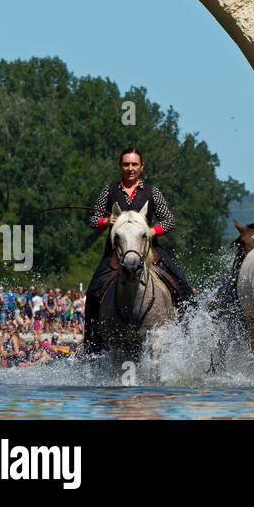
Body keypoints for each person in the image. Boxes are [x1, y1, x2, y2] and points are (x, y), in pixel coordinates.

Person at [82, 147, 195, 355]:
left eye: (134, 164)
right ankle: (91, 345)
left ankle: (191, 335)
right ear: (120, 166)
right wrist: (106, 221)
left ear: (141, 167)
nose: (130, 168)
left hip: (149, 249)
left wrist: (151, 231)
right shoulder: (109, 191)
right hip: (115, 254)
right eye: (126, 164)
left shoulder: (152, 192)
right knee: (93, 293)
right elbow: (91, 219)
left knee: (183, 286)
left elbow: (169, 221)